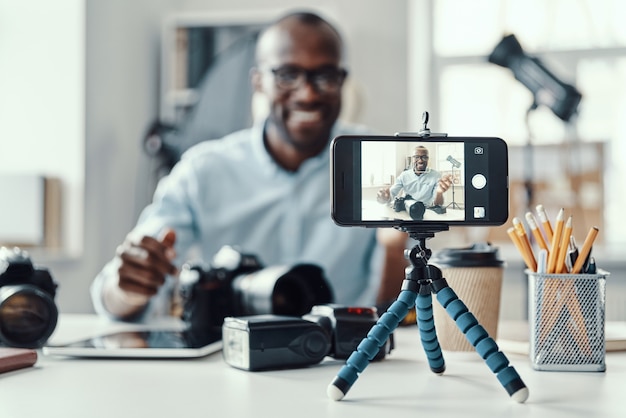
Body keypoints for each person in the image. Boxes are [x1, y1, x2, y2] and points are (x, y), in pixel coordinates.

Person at [90, 10, 407, 321]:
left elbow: (395, 308)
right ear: (257, 82)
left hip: (347, 354)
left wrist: (395, 250)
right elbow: (114, 294)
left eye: (324, 76)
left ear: (342, 81)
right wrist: (129, 287)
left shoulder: (379, 160)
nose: (308, 94)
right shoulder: (204, 170)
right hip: (230, 357)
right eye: (287, 75)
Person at [376, 145, 452, 219]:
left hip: (425, 212)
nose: (420, 160)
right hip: (406, 210)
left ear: (428, 159)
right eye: (416, 157)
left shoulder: (436, 175)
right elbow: (391, 194)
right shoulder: (404, 175)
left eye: (424, 157)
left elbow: (438, 204)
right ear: (412, 159)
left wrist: (439, 193)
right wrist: (384, 198)